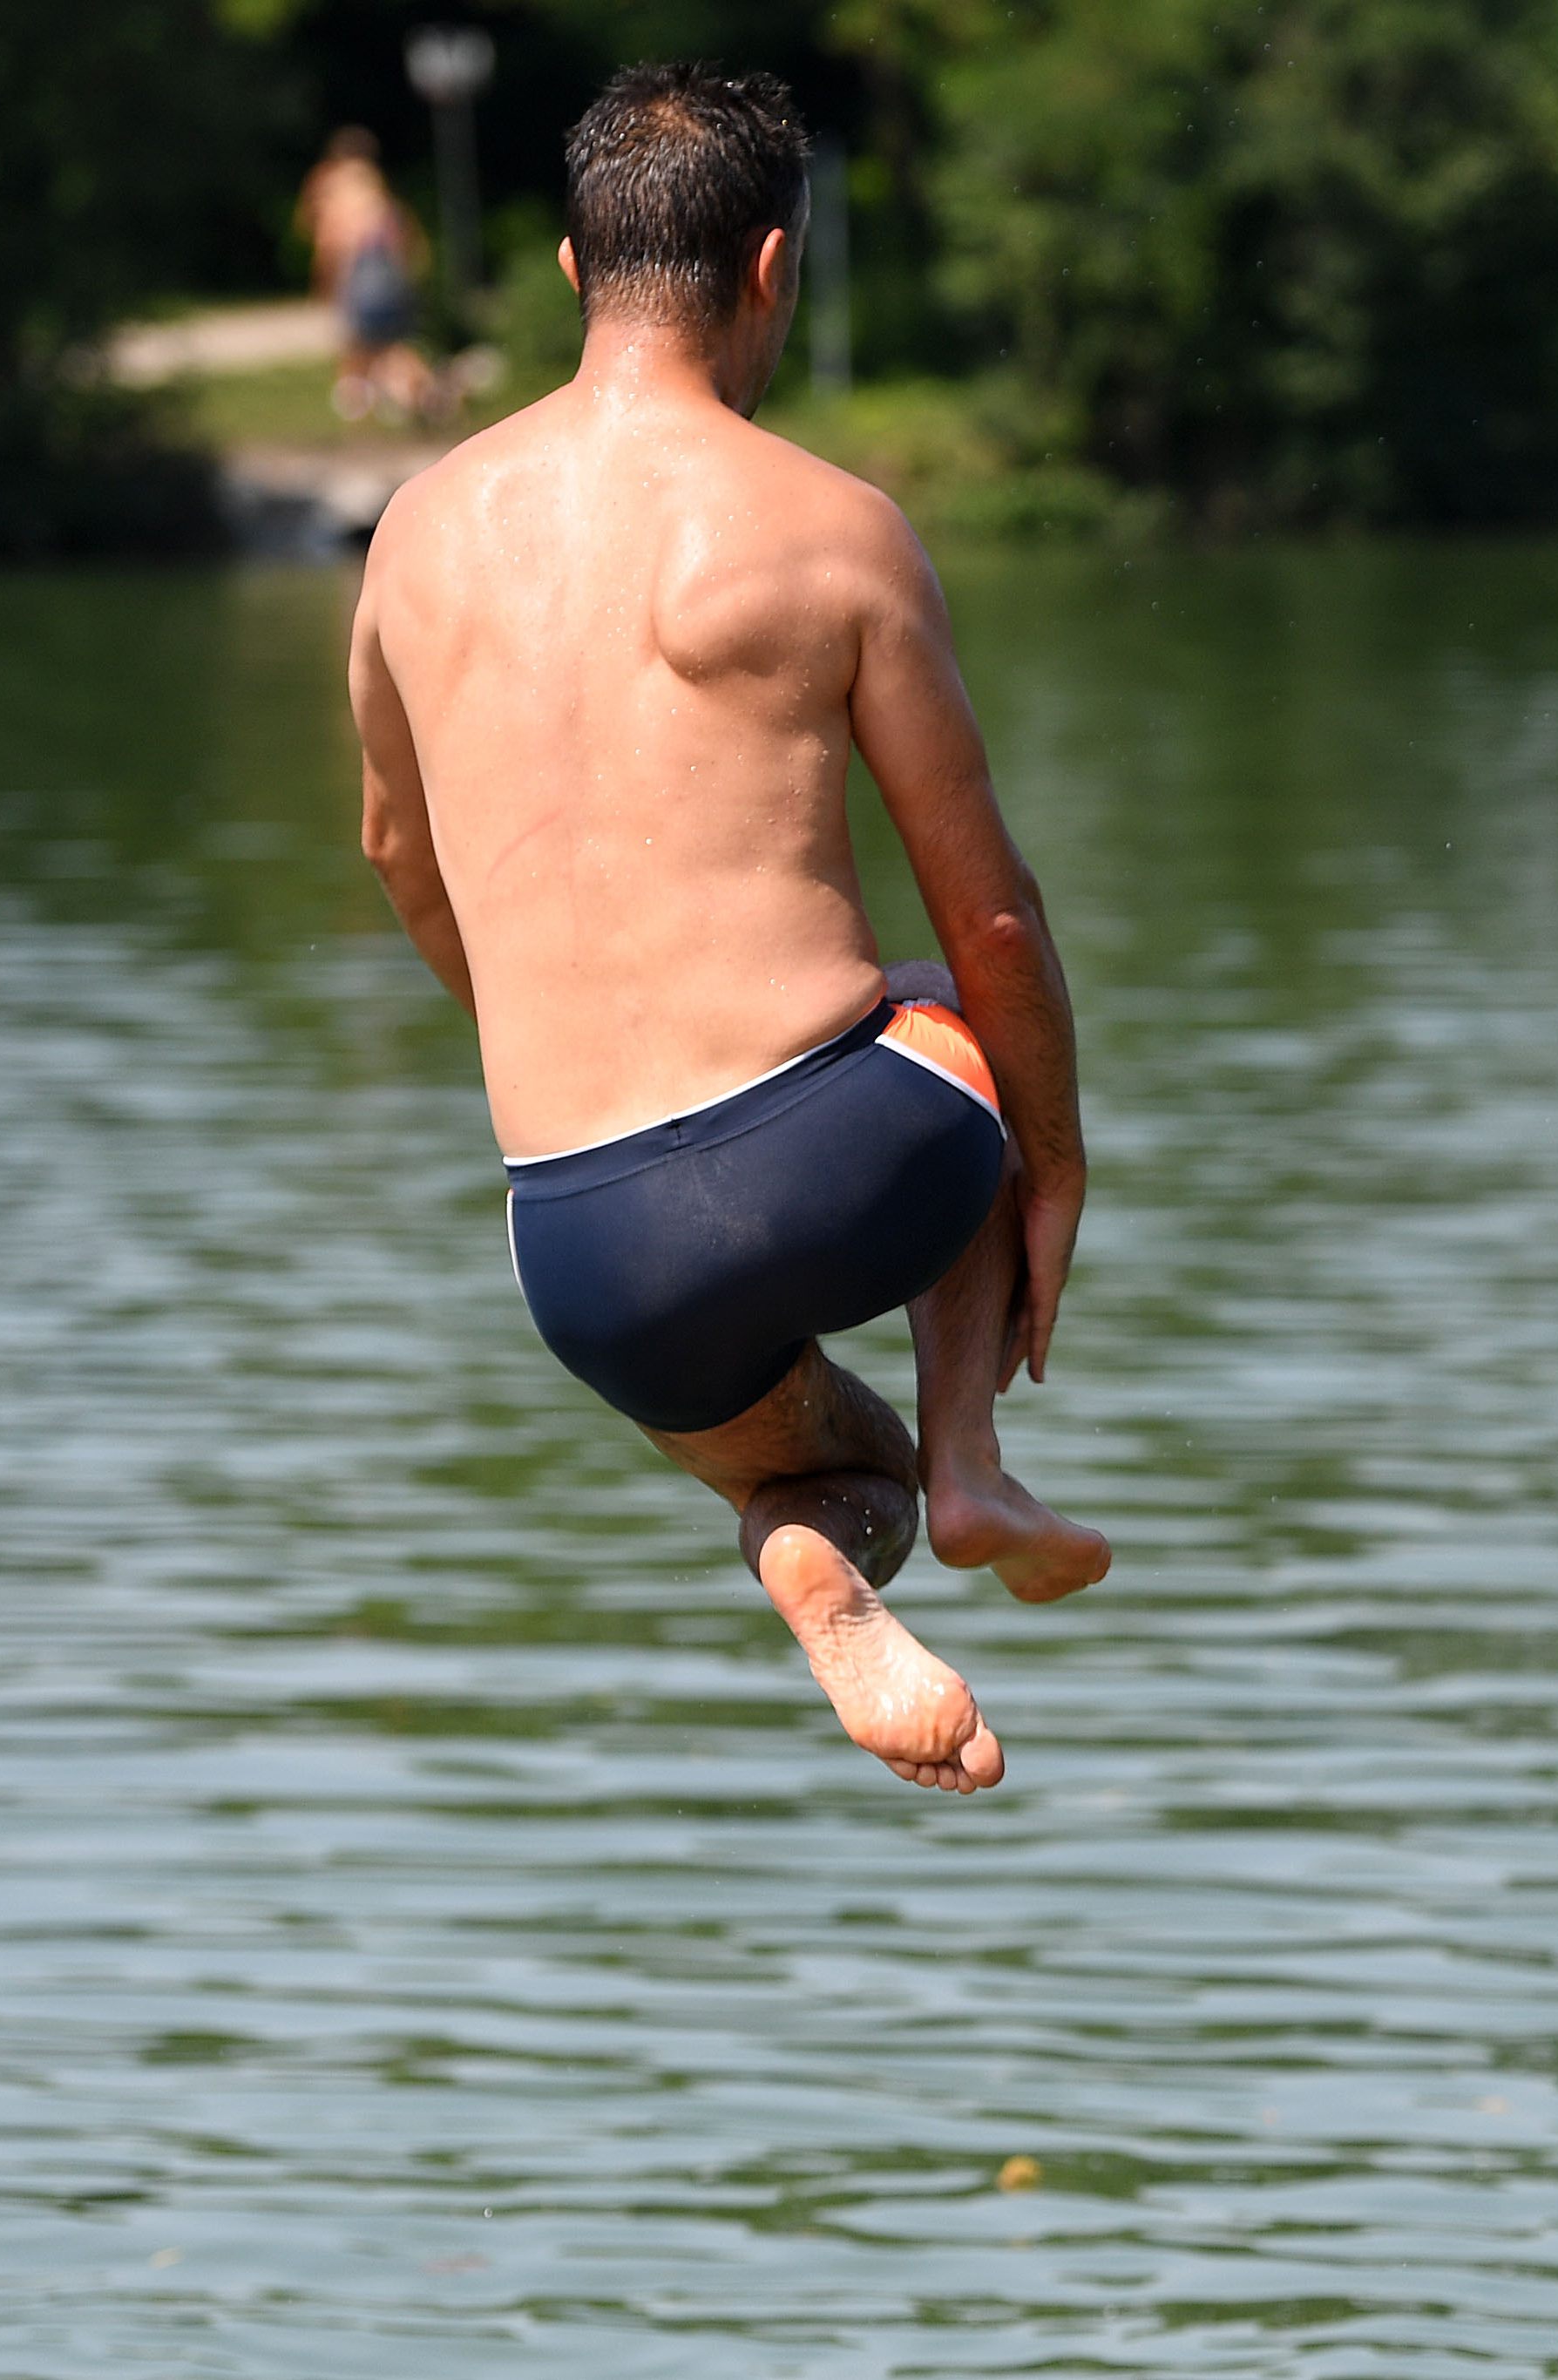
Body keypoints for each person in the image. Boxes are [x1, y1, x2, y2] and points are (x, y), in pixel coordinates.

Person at [347, 63, 1111, 1795]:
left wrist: (531, 1043)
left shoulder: (411, 538)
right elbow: (988, 906)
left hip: (584, 1245)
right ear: (773, 270)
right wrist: (1051, 1165)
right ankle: (975, 1457)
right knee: (943, 997)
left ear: (564, 272)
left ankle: (820, 1567)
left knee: (832, 1478)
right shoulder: (829, 529)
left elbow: (396, 851)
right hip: (838, 1162)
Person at [295, 127, 436, 422]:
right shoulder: (377, 188)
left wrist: (324, 282)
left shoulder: (333, 186)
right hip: (388, 270)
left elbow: (328, 240)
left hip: (358, 270)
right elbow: (404, 236)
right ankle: (419, 396)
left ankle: (359, 408)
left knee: (357, 344)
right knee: (392, 343)